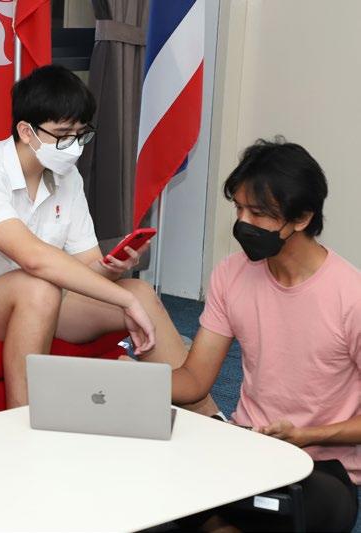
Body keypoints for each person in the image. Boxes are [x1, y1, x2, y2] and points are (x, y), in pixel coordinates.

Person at [0, 64, 219, 415]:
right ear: (26, 131)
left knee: (139, 292)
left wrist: (111, 268)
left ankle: (209, 417)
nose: (74, 146)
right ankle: (22, 420)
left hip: (43, 297)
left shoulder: (67, 176)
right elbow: (35, 259)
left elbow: (85, 264)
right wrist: (120, 298)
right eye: (63, 135)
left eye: (80, 134)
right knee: (39, 287)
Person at [173, 138, 359, 532]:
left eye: (257, 213)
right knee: (156, 491)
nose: (243, 223)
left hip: (320, 466)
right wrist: (135, 383)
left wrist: (306, 435)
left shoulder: (351, 296)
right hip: (247, 446)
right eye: (239, 209)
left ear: (302, 218)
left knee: (301, 511)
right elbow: (194, 380)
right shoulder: (230, 274)